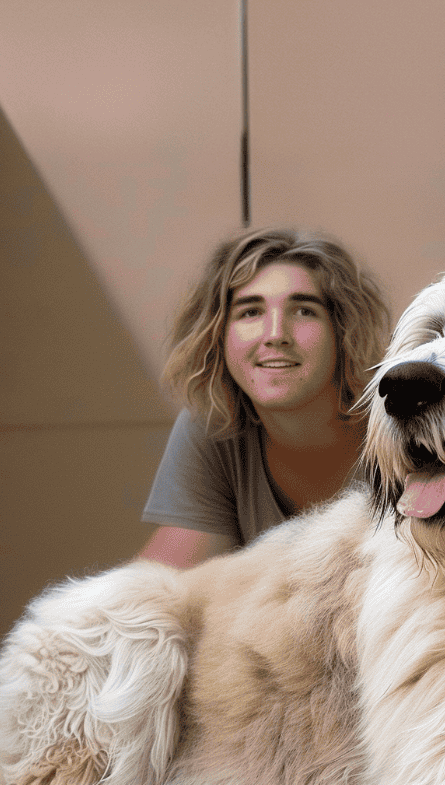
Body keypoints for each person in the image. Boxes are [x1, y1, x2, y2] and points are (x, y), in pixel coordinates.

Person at [137, 228, 391, 569]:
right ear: (218, 336)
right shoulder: (215, 423)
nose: (275, 335)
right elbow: (163, 583)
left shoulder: (396, 422)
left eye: (304, 311)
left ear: (342, 331)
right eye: (250, 312)